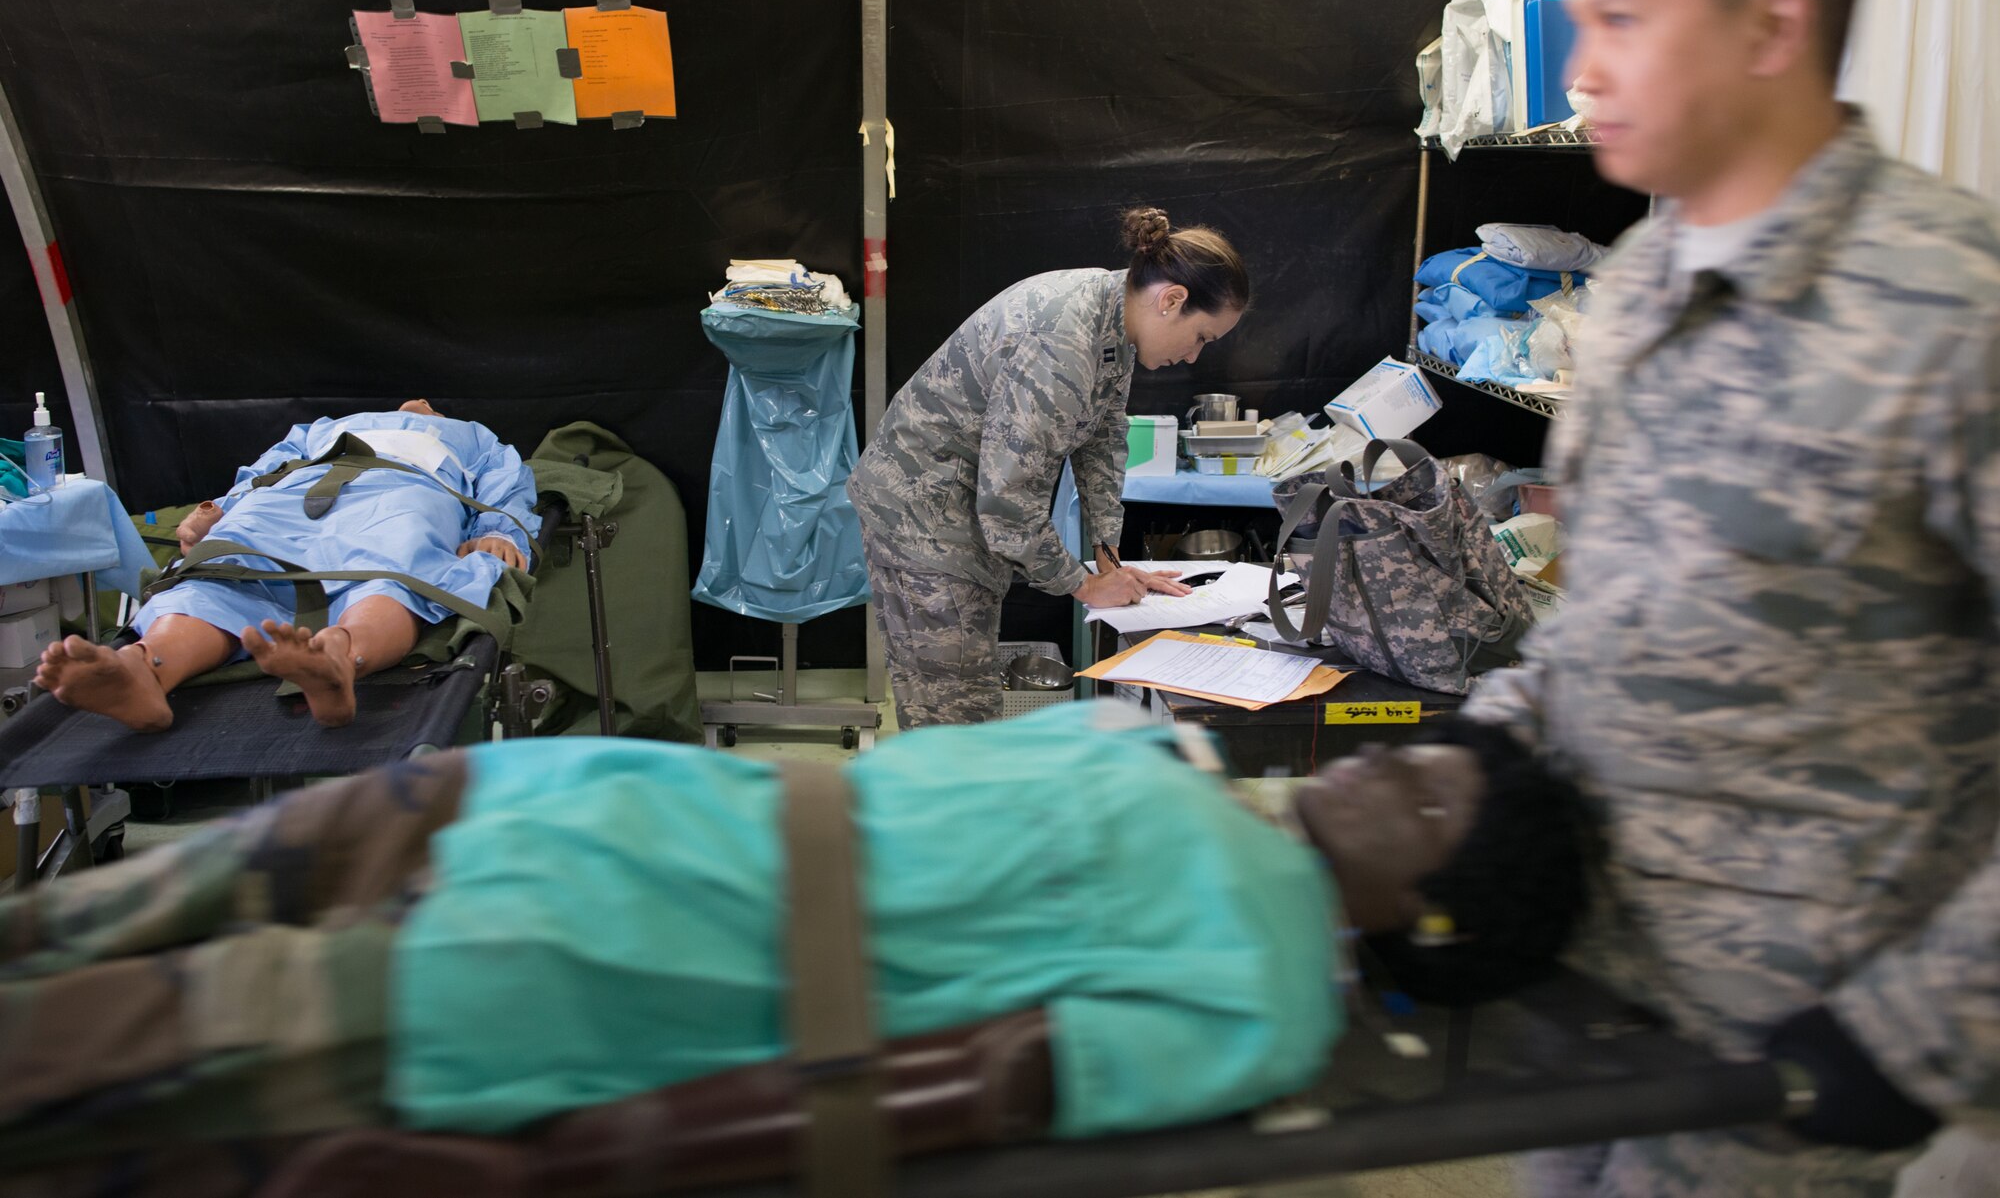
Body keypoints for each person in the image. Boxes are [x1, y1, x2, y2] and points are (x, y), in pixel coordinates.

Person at [0, 702, 1596, 1192]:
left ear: (1431, 916)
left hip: (591, 956)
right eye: (1413, 749)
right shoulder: (1177, 760)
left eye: (1424, 801)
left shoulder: (1257, 998)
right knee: (80, 919)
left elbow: (970, 1087)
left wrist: (587, 1159)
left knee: (108, 1045)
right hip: (576, 800)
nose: (1384, 766)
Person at [1426, 0, 2000, 1193]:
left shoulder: (1953, 310)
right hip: (1584, 1007)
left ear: (1771, 29)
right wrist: (1490, 737)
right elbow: (1604, 617)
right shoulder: (1638, 288)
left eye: (1622, 19)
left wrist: (1924, 1029)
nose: (1580, 70)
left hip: (1788, 1077)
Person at [847, 207, 1250, 729]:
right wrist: (1081, 584)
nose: (1195, 356)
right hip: (922, 517)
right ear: (1171, 300)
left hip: (955, 511)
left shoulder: (1114, 317)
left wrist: (1107, 555)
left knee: (964, 713)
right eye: (1202, 337)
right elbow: (1008, 500)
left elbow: (1102, 437)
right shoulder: (1062, 340)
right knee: (954, 723)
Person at [31, 399, 538, 733]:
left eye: (426, 405)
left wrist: (496, 534)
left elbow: (508, 487)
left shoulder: (472, 435)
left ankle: (340, 654)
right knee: (227, 564)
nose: (415, 405)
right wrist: (219, 512)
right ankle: (146, 668)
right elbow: (262, 472)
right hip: (290, 495)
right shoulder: (320, 430)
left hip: (402, 490)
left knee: (394, 563)